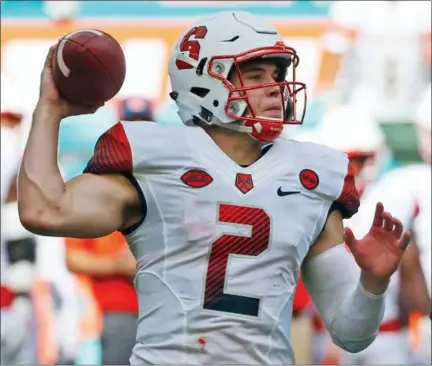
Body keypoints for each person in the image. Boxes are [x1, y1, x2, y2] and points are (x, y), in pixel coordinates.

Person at [18, 11, 411, 364]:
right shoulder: (158, 160)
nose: (275, 87)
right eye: (255, 74)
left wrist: (373, 282)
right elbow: (43, 211)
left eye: (277, 75)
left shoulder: (310, 175)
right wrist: (49, 109)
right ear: (204, 81)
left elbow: (352, 334)